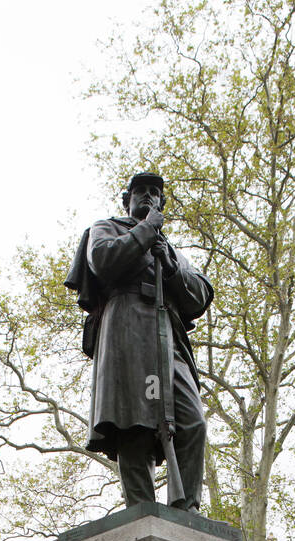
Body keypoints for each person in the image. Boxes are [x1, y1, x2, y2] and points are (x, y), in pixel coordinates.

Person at [65, 173, 213, 511]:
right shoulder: (107, 228)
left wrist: (170, 263)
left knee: (193, 421)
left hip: (167, 335)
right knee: (134, 423)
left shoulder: (169, 249)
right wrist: (146, 231)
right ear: (127, 199)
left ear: (161, 202)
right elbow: (103, 261)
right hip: (127, 332)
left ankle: (188, 509)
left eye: (154, 193)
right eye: (140, 192)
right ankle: (141, 511)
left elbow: (199, 295)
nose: (147, 197)